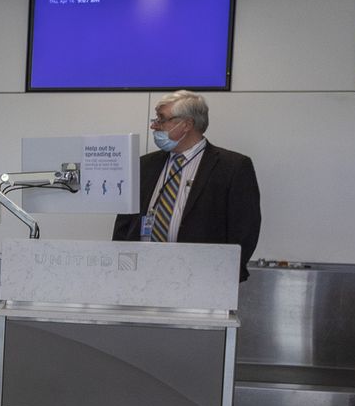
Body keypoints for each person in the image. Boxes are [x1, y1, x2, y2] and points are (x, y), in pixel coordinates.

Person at [111, 90, 261, 281]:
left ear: (187, 124)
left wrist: (224, 276)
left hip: (203, 278)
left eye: (161, 119)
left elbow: (244, 230)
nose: (154, 126)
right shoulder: (144, 165)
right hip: (140, 275)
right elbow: (124, 224)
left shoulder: (233, 167)